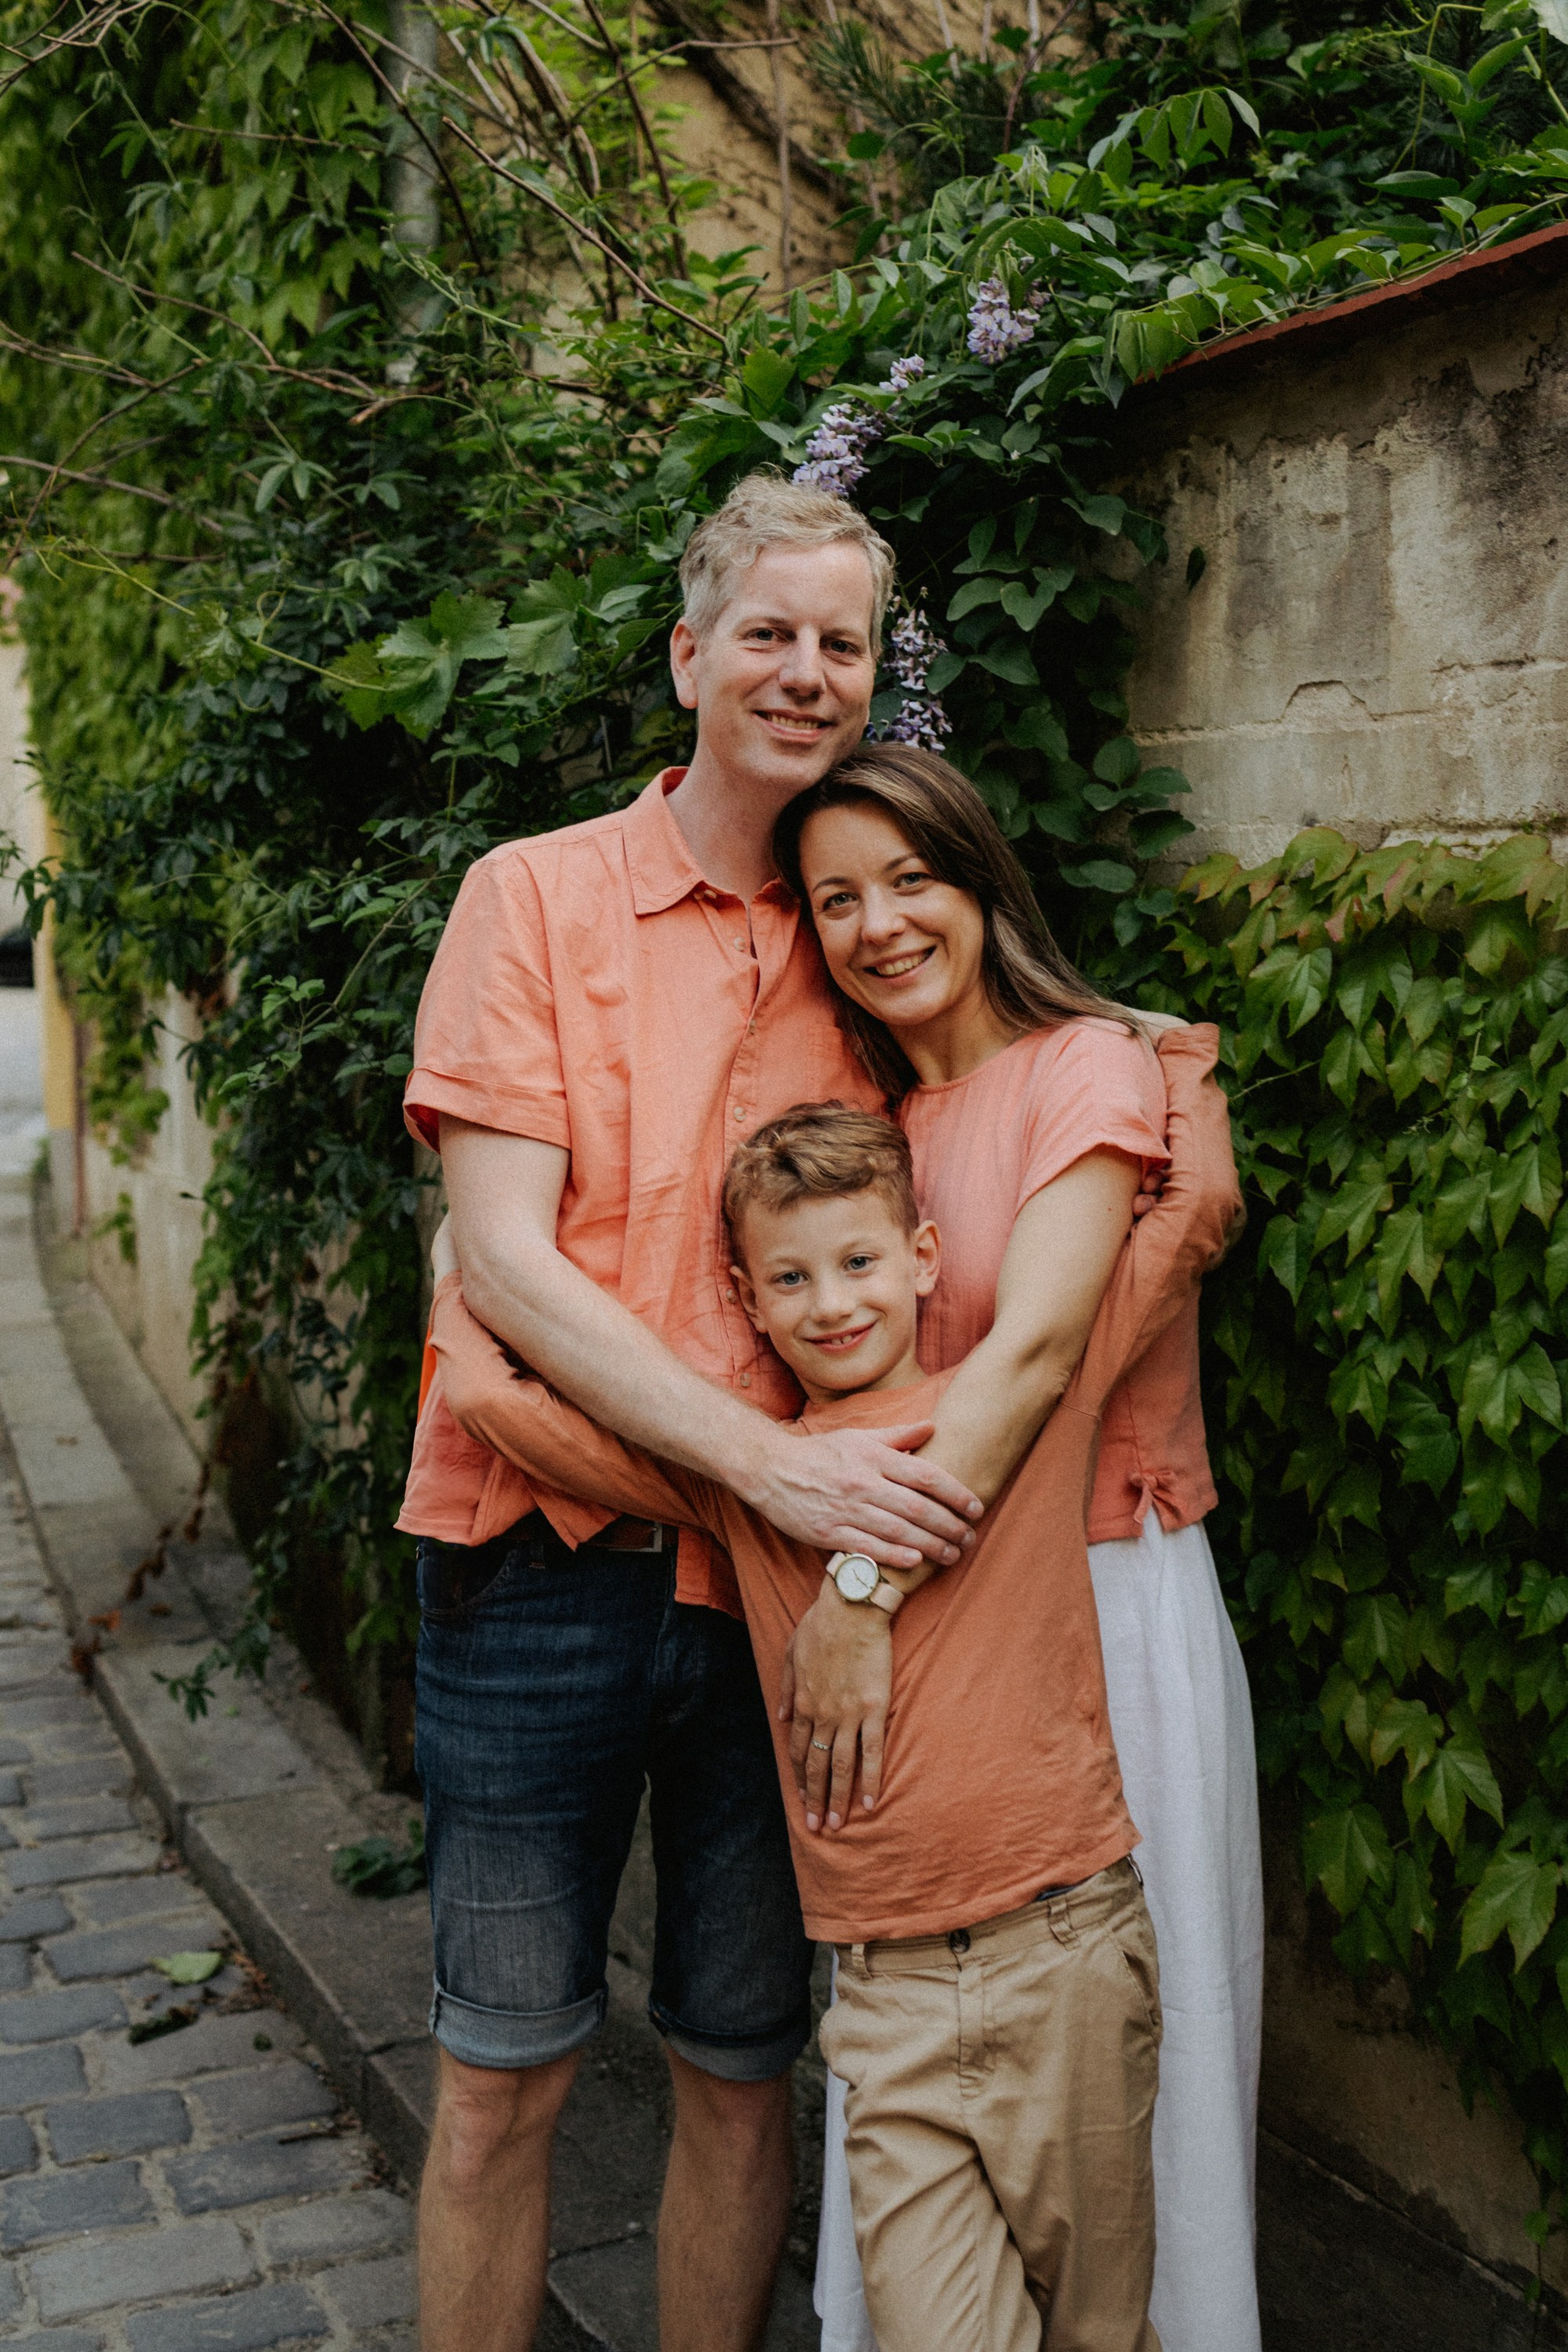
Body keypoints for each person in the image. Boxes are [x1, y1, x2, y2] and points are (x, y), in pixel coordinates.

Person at [395, 474, 991, 2352]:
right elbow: (503, 1259)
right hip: (531, 1571)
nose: (806, 671)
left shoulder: (868, 932)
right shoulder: (533, 895)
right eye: (768, 633)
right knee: (500, 2078)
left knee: (743, 2069)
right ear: (686, 657)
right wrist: (767, 1472)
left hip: (779, 1610)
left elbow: (1001, 1110)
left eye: (843, 644)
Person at [428, 1039, 1240, 2352]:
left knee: (1101, 2333)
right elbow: (505, 1408)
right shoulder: (747, 1483)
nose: (831, 1305)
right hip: (887, 1999)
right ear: (747, 1302)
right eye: (791, 1280)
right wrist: (466, 1276)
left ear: (923, 1258)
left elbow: (1192, 1210)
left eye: (860, 1262)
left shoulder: (1026, 1403)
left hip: (1066, 1955)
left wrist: (1168, 1049)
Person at [771, 743, 1265, 2352]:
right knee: (930, 2073)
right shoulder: (875, 1129)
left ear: (982, 883)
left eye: (911, 879)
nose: (879, 924)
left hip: (1099, 1592)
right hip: (937, 1628)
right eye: (836, 898)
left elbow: (1047, 1349)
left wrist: (860, 1590)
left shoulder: (1091, 1068)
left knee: (1134, 2066)